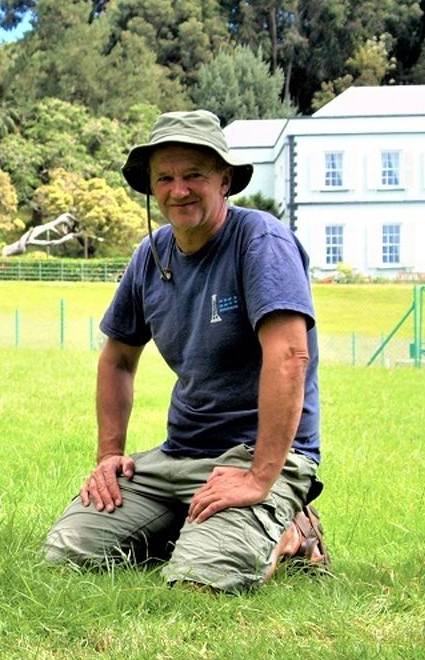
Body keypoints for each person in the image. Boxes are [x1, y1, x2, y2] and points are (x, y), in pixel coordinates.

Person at [42, 109, 329, 592]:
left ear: (225, 180)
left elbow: (289, 356)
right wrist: (109, 455)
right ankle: (198, 522)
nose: (179, 189)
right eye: (166, 178)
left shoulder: (259, 240)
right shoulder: (150, 256)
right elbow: (117, 358)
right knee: (67, 553)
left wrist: (259, 477)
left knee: (200, 580)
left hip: (255, 455)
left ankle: (291, 527)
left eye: (194, 174)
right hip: (176, 455)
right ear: (152, 188)